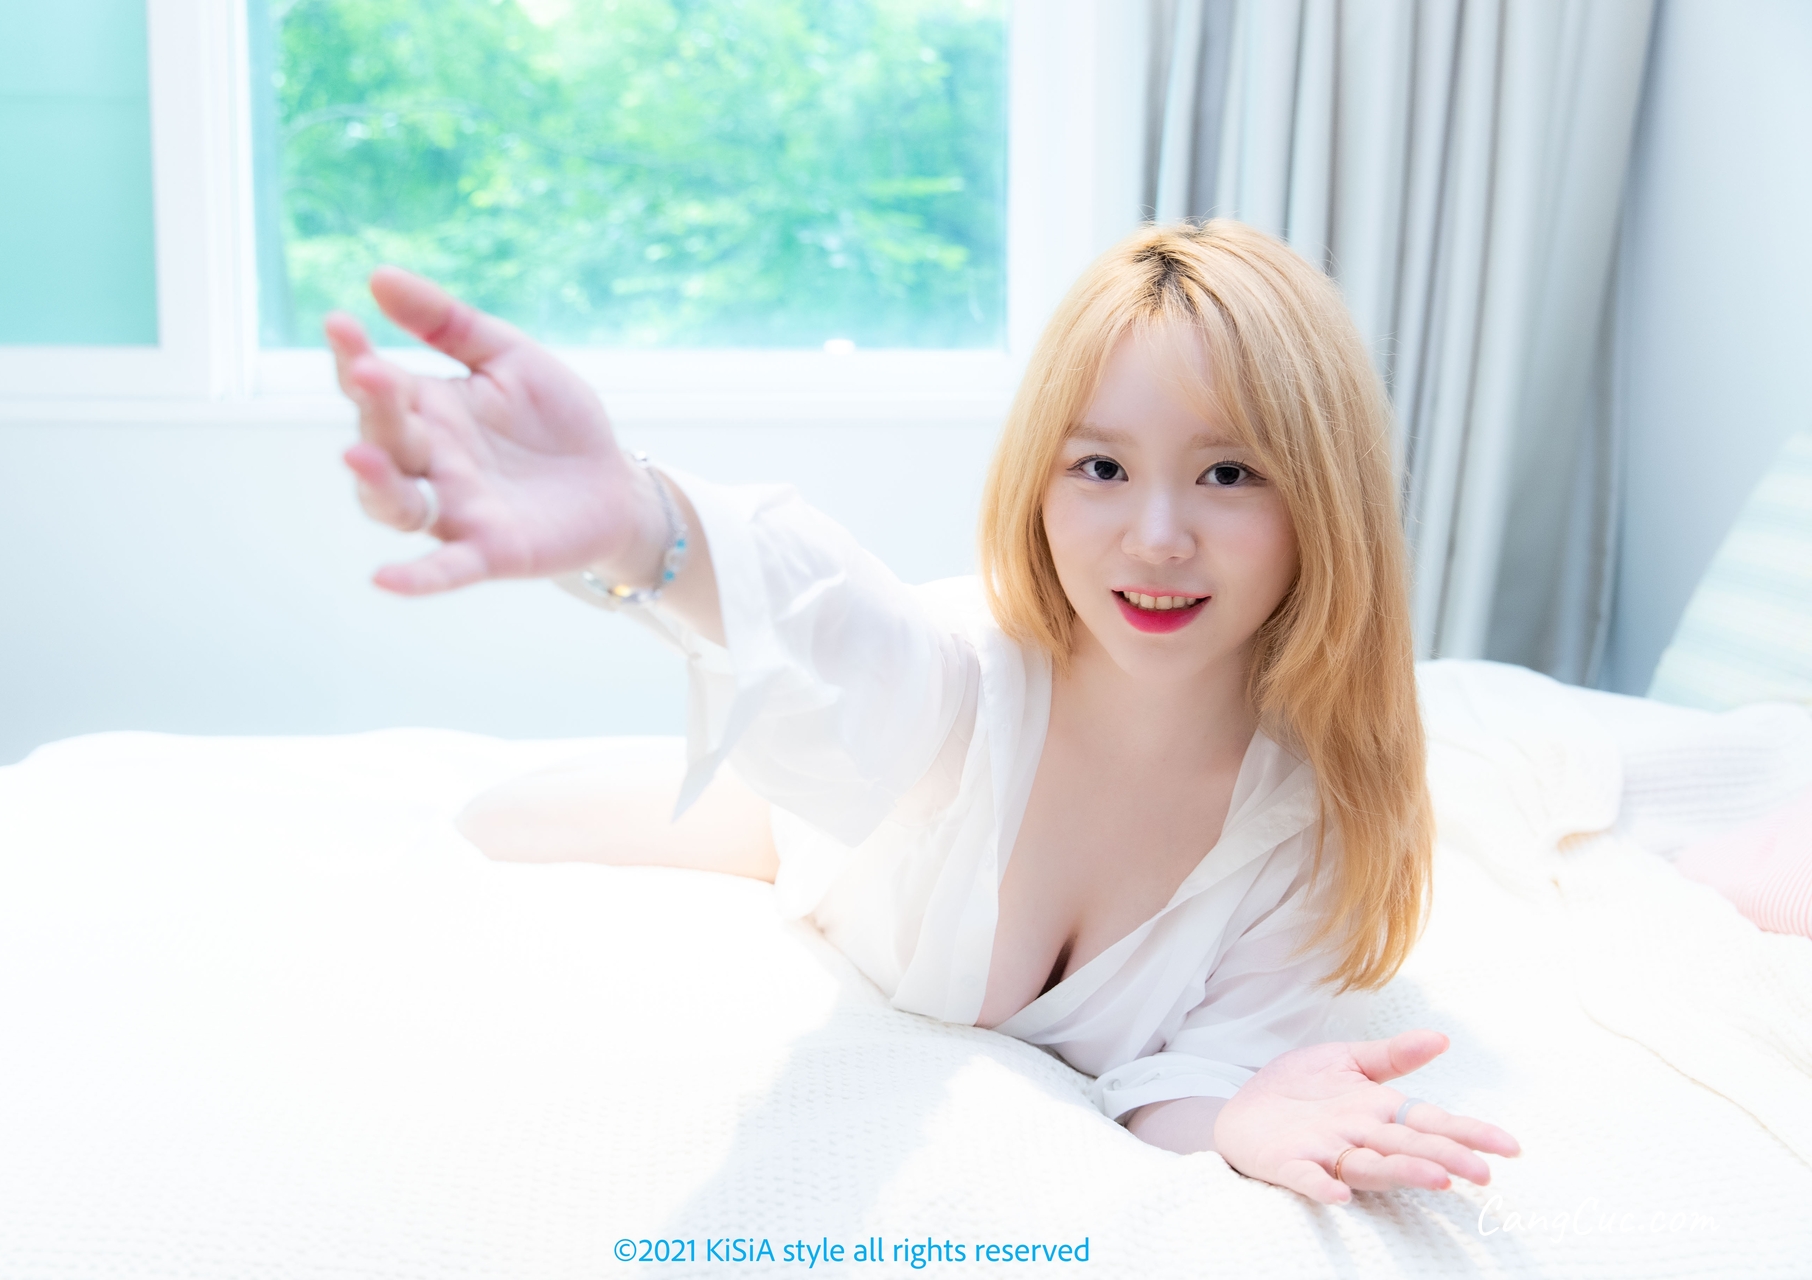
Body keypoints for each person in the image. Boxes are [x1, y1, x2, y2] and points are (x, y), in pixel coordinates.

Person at [324, 219, 1521, 1205]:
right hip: (818, 826)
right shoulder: (965, 681)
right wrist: (640, 522)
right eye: (1100, 467)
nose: (1156, 537)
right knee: (477, 824)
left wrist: (1240, 1121)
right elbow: (829, 612)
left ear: (1326, 499)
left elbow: (1192, 1078)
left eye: (1228, 472)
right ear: (1040, 480)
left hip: (851, 799)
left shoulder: (1308, 824)